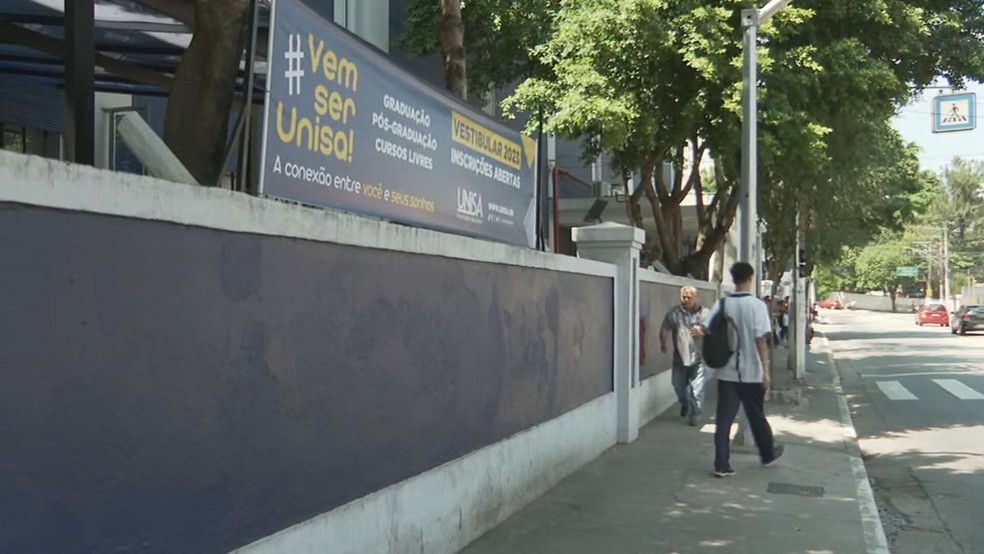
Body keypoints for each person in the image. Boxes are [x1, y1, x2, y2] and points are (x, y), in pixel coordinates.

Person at [702, 262, 785, 477]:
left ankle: (721, 464)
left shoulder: (722, 304)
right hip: (751, 373)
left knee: (724, 420)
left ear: (734, 278)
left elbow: (705, 328)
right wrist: (765, 371)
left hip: (726, 372)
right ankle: (767, 452)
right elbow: (761, 341)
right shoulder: (757, 306)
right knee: (756, 415)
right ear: (750, 278)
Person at [660, 285, 709, 427]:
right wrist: (663, 343)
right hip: (680, 357)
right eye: (684, 297)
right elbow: (665, 328)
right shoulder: (674, 313)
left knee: (697, 387)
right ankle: (685, 403)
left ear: (695, 298)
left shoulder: (704, 313)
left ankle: (696, 413)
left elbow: (714, 330)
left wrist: (703, 331)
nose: (686, 299)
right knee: (678, 385)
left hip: (699, 357)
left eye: (689, 297)